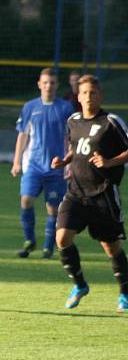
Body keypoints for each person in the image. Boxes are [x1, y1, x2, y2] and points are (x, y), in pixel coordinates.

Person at [50, 74, 128, 312]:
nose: (88, 97)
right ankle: (80, 285)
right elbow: (76, 148)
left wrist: (109, 161)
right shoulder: (73, 120)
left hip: (103, 193)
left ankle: (125, 292)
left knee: (110, 247)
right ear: (78, 96)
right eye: (84, 93)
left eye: (93, 92)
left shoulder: (111, 122)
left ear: (100, 95)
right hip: (76, 193)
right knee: (62, 238)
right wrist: (64, 162)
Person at [11, 68, 75, 259]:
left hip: (57, 168)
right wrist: (16, 161)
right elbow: (22, 135)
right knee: (26, 200)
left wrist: (70, 163)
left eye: (52, 82)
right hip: (33, 165)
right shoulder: (30, 107)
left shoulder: (65, 108)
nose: (49, 86)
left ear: (57, 85)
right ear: (39, 84)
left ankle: (48, 246)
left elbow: (73, 137)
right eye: (45, 82)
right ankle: (29, 240)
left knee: (53, 208)